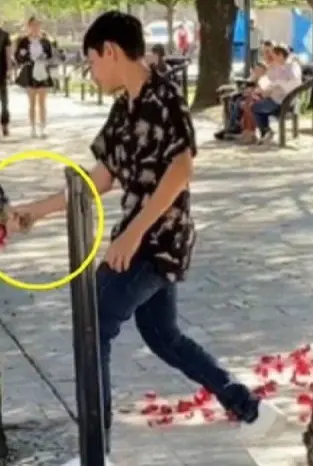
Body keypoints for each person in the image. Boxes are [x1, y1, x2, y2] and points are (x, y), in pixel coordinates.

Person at [12, 13, 282, 462]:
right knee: (163, 336)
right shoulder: (126, 107)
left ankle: (96, 454)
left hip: (158, 241)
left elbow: (181, 170)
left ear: (112, 51)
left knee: (92, 323)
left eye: (92, 60)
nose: (91, 71)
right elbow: (99, 177)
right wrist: (34, 212)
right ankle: (250, 408)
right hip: (141, 238)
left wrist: (133, 235)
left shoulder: (165, 97)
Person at [251, 45, 302, 142]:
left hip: (283, 101)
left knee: (255, 107)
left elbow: (293, 84)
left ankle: (266, 131)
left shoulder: (292, 67)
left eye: (274, 55)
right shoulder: (277, 67)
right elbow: (269, 82)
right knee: (256, 104)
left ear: (281, 55)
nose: (272, 58)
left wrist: (278, 83)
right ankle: (265, 132)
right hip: (275, 98)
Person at [14, 16, 54, 138]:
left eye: (38, 25)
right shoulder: (24, 41)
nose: (36, 27)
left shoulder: (45, 41)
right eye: (33, 25)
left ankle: (42, 127)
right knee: (32, 102)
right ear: (29, 26)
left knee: (42, 102)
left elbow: (51, 56)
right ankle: (32, 128)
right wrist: (24, 56)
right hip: (30, 72)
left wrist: (45, 58)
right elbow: (18, 57)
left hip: (42, 72)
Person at [0, 25, 11, 136]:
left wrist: (9, 70)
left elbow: (8, 54)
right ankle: (5, 125)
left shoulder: (5, 35)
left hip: (1, 72)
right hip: (2, 72)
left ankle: (5, 124)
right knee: (4, 101)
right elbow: (8, 55)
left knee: (4, 101)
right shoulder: (5, 35)